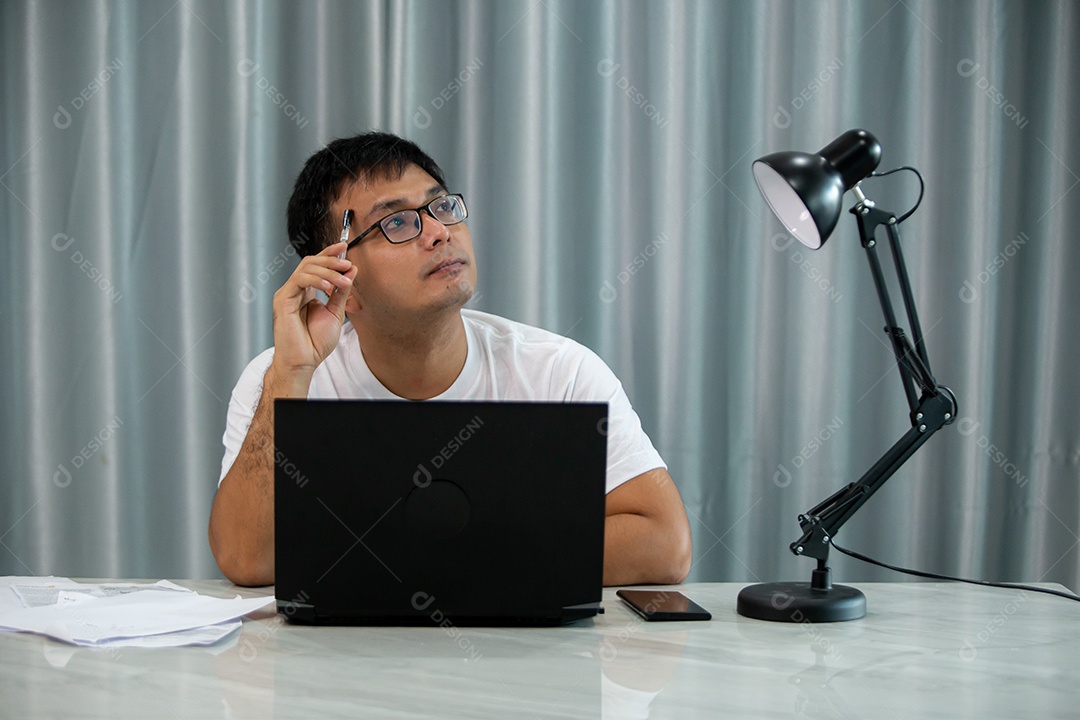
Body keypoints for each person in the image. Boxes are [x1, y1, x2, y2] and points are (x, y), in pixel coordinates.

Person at [209, 131, 692, 587]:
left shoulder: (559, 372)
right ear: (338, 279)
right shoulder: (281, 377)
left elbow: (665, 546)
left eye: (441, 206)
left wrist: (431, 557)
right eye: (395, 221)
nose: (439, 232)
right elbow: (247, 558)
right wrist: (292, 375)